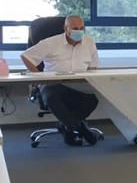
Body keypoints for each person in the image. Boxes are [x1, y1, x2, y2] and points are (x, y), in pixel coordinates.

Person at [21, 15, 101, 146]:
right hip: (52, 84)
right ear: (65, 28)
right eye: (75, 28)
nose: (79, 31)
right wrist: (39, 77)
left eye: (81, 28)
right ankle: (81, 129)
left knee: (93, 99)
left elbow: (93, 68)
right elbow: (26, 56)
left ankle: (67, 126)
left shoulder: (89, 43)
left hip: (78, 85)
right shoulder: (51, 42)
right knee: (52, 97)